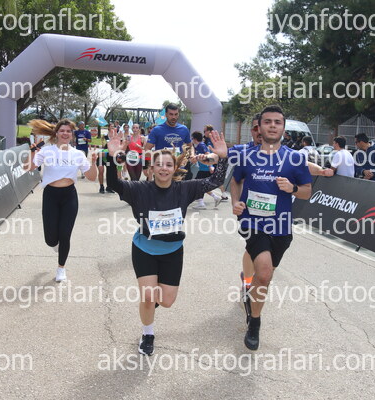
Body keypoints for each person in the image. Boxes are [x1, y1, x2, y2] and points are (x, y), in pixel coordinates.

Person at [106, 128, 228, 356]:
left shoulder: (185, 189)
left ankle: (150, 305)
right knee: (148, 296)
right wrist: (111, 156)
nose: (164, 168)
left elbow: (216, 180)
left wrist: (222, 158)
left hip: (173, 251)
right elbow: (113, 182)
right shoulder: (139, 189)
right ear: (151, 168)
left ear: (174, 168)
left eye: (168, 165)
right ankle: (148, 333)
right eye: (159, 164)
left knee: (167, 301)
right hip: (144, 249)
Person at [230, 105, 312, 351]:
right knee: (264, 273)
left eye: (277, 122)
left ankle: (250, 295)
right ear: (260, 127)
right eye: (268, 122)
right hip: (253, 223)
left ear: (283, 128)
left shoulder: (295, 159)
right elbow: (236, 181)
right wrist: (236, 202)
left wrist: (293, 188)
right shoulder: (246, 156)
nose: (273, 126)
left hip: (281, 227)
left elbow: (307, 192)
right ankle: (255, 322)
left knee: (265, 276)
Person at [24, 119, 98, 282]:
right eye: (62, 130)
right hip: (50, 195)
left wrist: (93, 163)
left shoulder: (78, 154)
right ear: (56, 133)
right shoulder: (46, 151)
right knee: (50, 239)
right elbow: (28, 168)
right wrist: (32, 152)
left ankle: (61, 268)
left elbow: (92, 177)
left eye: (68, 131)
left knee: (65, 234)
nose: (65, 133)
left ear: (72, 135)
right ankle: (56, 246)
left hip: (69, 196)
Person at [190, 131, 223, 209]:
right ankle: (215, 197)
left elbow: (208, 154)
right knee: (201, 186)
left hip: (205, 169)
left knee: (197, 185)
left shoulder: (201, 145)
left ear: (195, 139)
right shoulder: (198, 146)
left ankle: (201, 202)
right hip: (202, 168)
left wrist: (210, 166)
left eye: (192, 138)